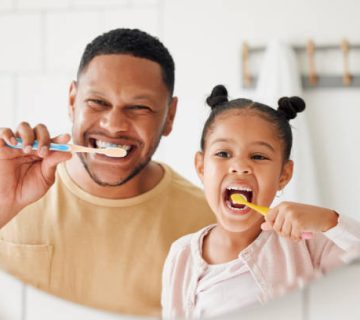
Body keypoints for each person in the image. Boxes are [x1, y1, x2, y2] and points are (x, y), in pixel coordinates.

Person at [0, 28, 215, 316]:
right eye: (98, 102)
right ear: (73, 100)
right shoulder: (12, 193)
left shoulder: (207, 226)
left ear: (169, 115)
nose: (114, 125)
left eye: (139, 107)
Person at [161, 84, 360, 319]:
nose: (240, 166)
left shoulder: (309, 245)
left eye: (258, 156)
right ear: (202, 167)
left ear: (283, 175)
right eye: (223, 154)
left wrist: (329, 221)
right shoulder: (182, 255)